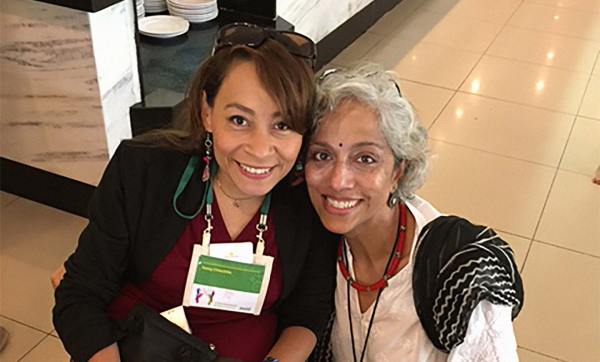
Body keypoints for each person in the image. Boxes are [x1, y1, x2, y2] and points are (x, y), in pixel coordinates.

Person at [53, 23, 337, 362]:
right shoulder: (144, 171)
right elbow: (80, 293)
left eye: (283, 125)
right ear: (207, 112)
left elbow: (308, 313)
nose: (261, 150)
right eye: (239, 120)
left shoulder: (308, 198)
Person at [304, 64, 524, 361]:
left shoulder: (459, 274)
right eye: (322, 155)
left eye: (365, 159)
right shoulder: (318, 243)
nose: (338, 180)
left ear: (398, 171)